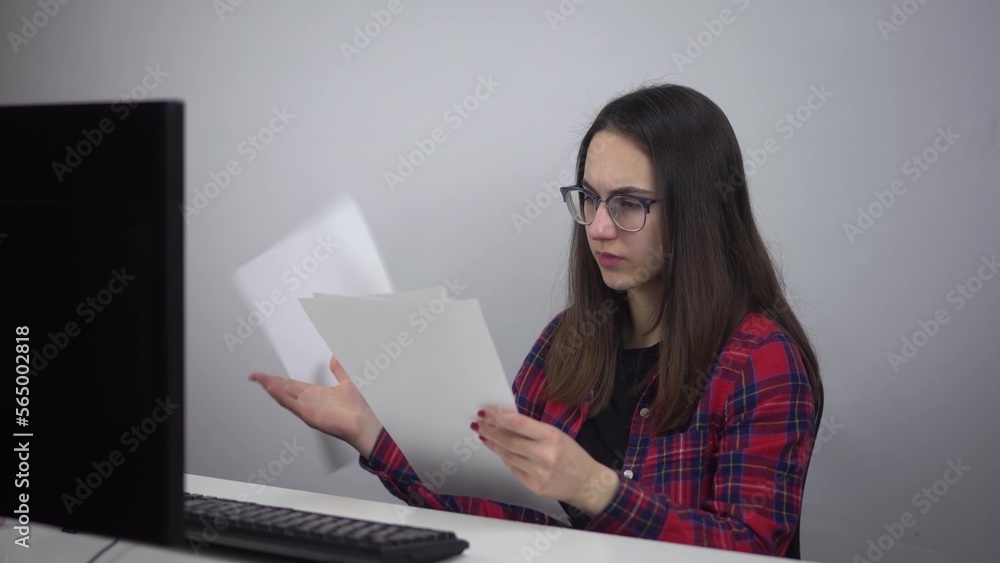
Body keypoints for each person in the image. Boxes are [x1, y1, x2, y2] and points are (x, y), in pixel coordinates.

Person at [250, 84, 823, 558]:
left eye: (628, 203)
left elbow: (753, 551)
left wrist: (595, 489)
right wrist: (372, 432)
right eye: (589, 199)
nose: (597, 227)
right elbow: (504, 511)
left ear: (697, 212)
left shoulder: (760, 360)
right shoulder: (566, 341)